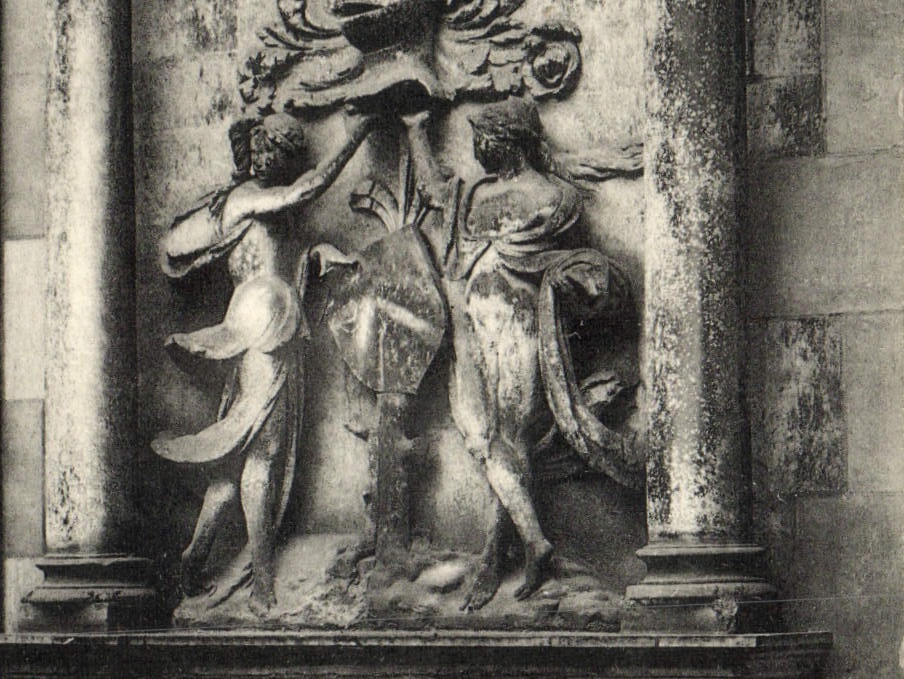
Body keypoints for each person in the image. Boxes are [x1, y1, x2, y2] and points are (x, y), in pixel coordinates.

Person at [405, 99, 641, 609]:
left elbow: (444, 199)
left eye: (482, 139)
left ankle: (507, 551)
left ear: (506, 140)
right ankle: (525, 544)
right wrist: (415, 129)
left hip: (516, 328)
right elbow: (432, 190)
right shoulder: (492, 193)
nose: (476, 149)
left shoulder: (549, 197)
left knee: (506, 438)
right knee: (484, 437)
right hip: (472, 331)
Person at [152, 110, 372, 616]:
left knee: (236, 460)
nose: (267, 157)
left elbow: (279, 253)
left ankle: (194, 559)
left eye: (279, 152)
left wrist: (319, 255)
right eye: (264, 148)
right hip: (262, 335)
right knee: (263, 455)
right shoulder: (245, 197)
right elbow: (306, 190)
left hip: (279, 333)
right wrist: (358, 130)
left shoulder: (268, 208)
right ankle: (263, 581)